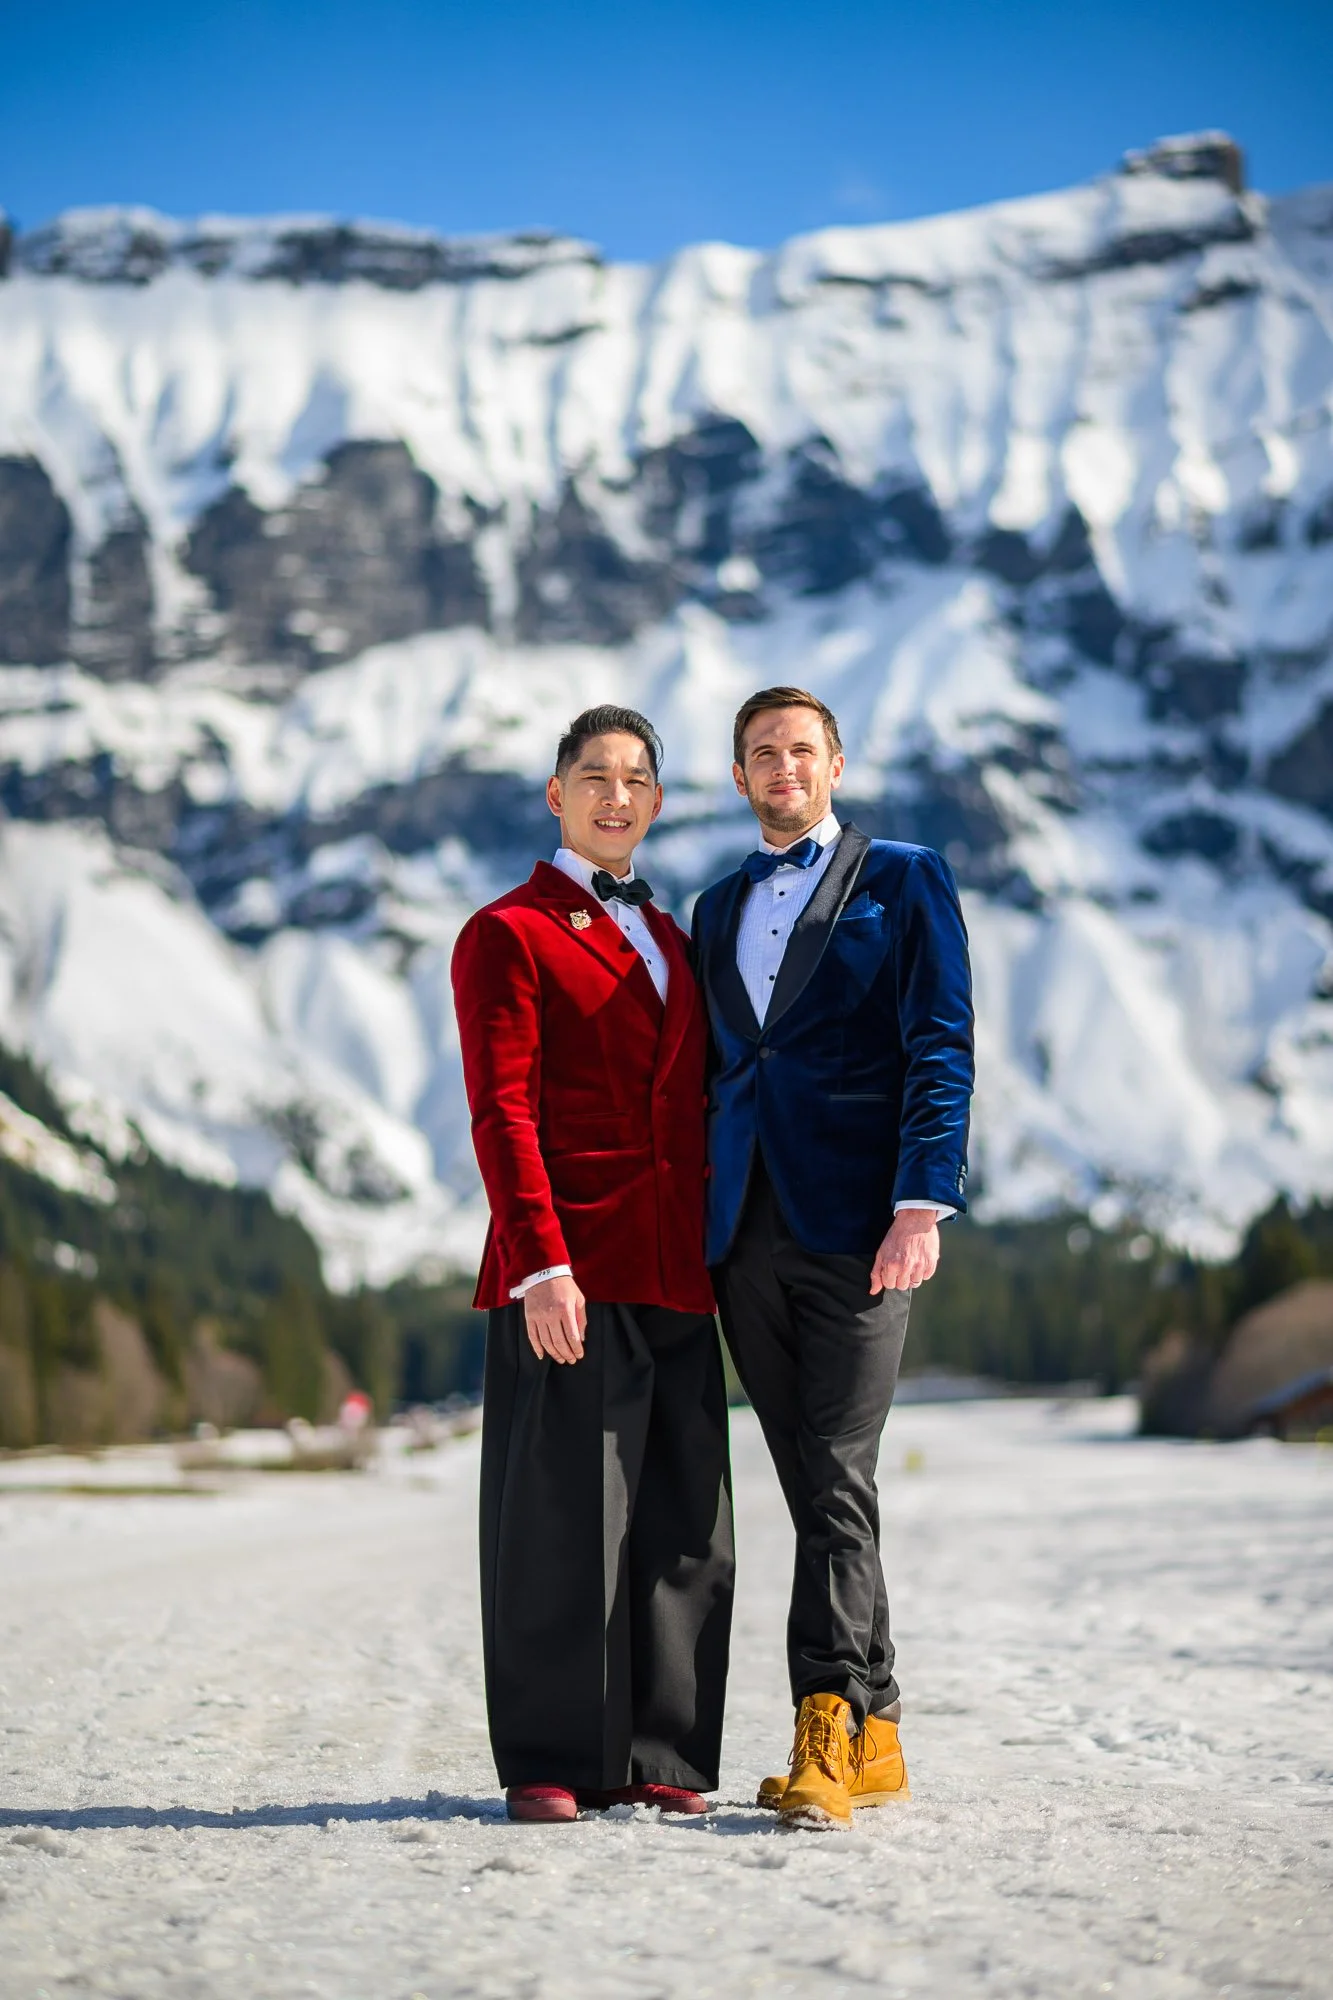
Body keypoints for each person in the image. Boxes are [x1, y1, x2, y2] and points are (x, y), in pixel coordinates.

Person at [692, 685, 974, 1830]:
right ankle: (884, 1730)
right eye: (761, 752)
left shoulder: (902, 876)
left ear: (837, 763)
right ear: (740, 776)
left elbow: (939, 1040)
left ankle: (823, 1723)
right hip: (741, 1232)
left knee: (839, 1474)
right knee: (820, 1485)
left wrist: (922, 1200)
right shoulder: (714, 907)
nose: (783, 767)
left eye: (800, 749)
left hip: (861, 1229)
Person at [451, 704, 734, 1824]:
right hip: (565, 1267)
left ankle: (660, 1753)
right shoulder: (506, 931)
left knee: (682, 1521)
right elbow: (500, 1111)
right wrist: (538, 1264)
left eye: (635, 780)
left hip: (674, 1264)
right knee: (562, 1523)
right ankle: (551, 1757)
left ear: (657, 804)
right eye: (593, 776)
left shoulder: (673, 940)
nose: (615, 796)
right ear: (556, 796)